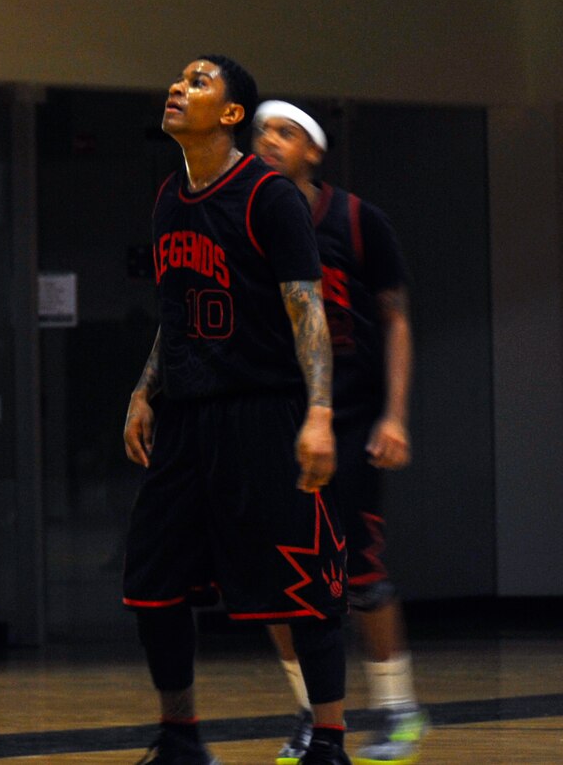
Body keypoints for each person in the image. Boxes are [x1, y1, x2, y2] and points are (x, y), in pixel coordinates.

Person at [121, 58, 349, 765]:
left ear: (229, 114)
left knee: (304, 583)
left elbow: (305, 309)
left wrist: (319, 413)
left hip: (262, 409)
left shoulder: (268, 196)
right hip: (187, 414)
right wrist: (144, 387)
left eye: (197, 81)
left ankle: (331, 740)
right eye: (178, 78)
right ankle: (181, 735)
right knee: (151, 584)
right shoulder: (168, 197)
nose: (177, 87)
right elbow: (174, 307)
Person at [252, 103, 427, 764]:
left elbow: (398, 321)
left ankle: (399, 709)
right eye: (262, 131)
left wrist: (395, 414)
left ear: (314, 151)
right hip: (279, 423)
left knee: (362, 574)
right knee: (277, 579)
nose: (269, 141)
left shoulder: (358, 220)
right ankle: (309, 713)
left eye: (286, 132)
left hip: (352, 420)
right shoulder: (253, 225)